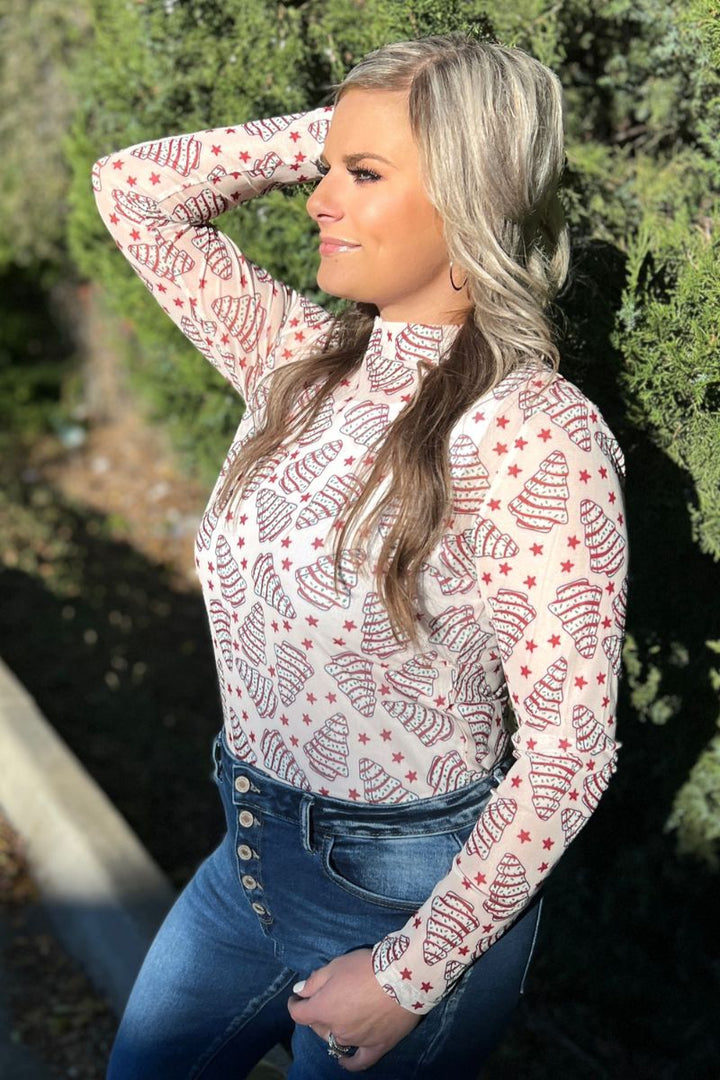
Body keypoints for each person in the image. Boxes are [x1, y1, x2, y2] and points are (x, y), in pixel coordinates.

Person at [94, 33, 628, 1079]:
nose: (318, 200)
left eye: (365, 175)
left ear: (470, 194)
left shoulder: (537, 436)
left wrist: (407, 976)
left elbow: (569, 752)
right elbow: (134, 192)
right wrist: (340, 134)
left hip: (411, 903)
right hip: (247, 862)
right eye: (326, 169)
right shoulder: (297, 363)